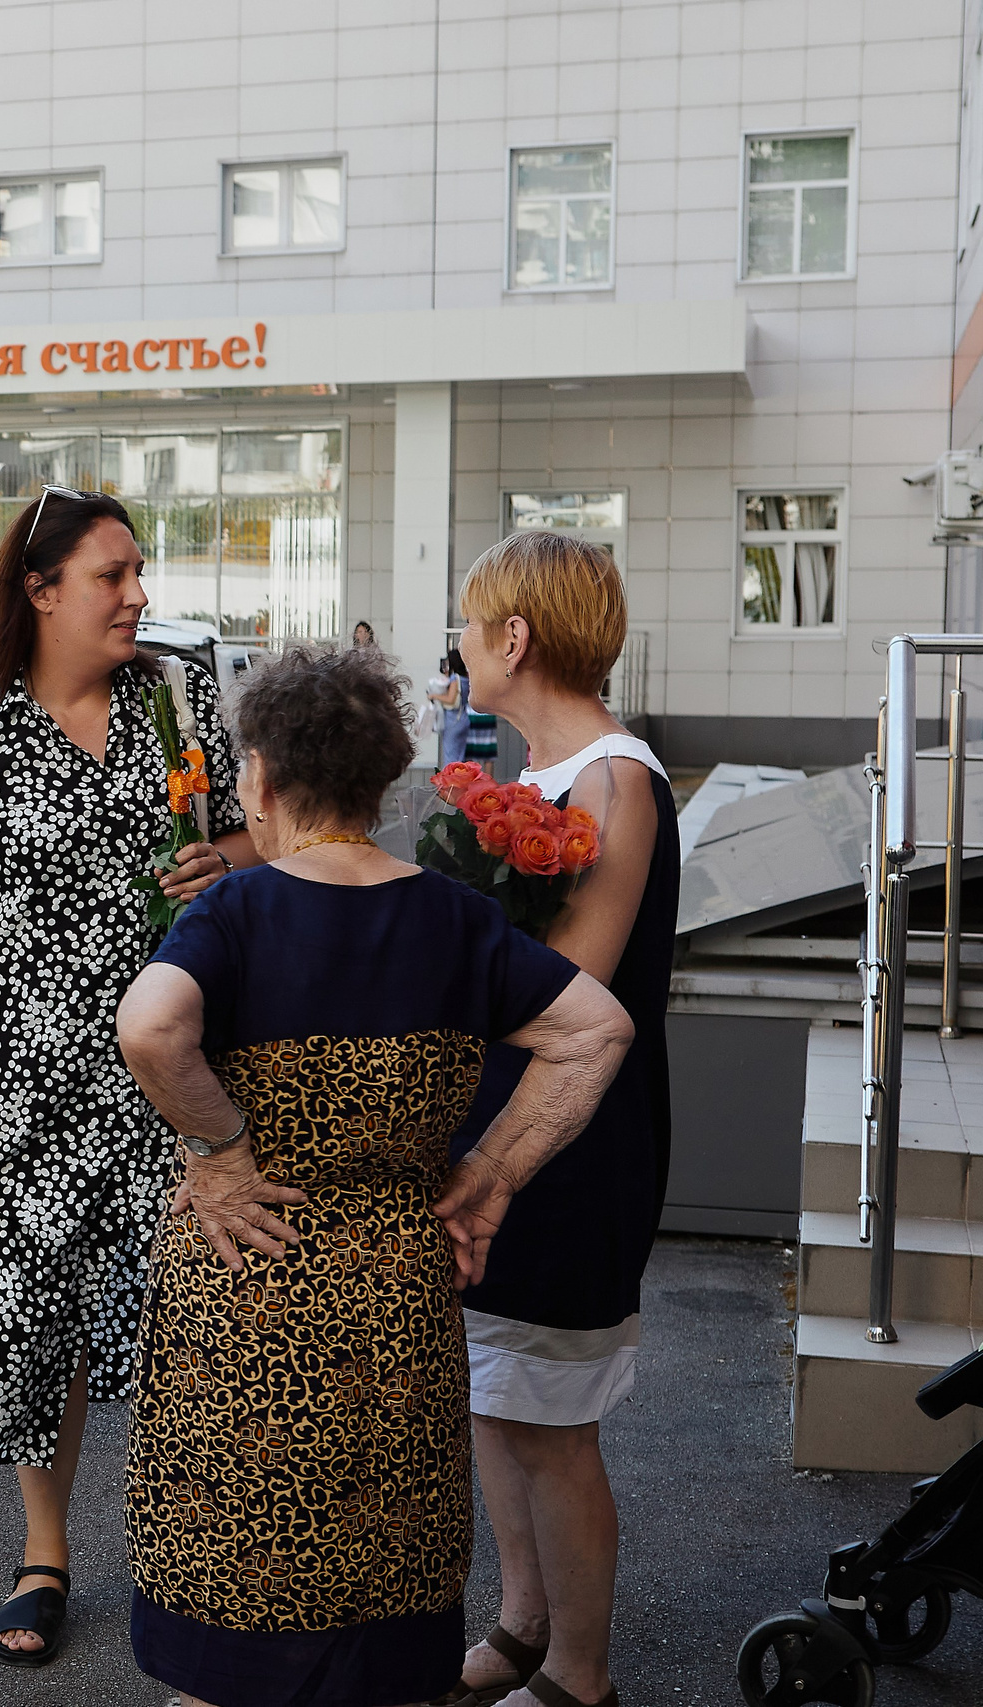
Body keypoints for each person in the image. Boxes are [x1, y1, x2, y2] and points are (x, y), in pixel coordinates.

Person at [113, 643, 634, 1707]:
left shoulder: (235, 912)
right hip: (395, 1294)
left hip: (243, 1284)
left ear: (258, 779)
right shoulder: (453, 916)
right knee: (381, 1599)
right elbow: (595, 1030)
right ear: (385, 775)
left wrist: (221, 1156)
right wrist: (492, 1170)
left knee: (231, 1617)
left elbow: (152, 1026)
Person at [0, 486, 254, 1665]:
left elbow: (251, 837)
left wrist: (227, 859)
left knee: (183, 1325)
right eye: (113, 574)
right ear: (40, 590)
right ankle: (43, 1553)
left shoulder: (171, 699)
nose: (138, 594)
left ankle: (185, 1554)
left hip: (172, 1074)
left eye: (137, 571)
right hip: (25, 1087)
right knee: (35, 1332)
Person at [438, 532, 677, 1707]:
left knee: (553, 1423)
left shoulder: (610, 779)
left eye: (469, 622)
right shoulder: (541, 776)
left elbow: (569, 985)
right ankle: (522, 1627)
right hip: (502, 1126)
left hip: (570, 1142)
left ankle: (579, 1677)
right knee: (497, 1394)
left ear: (515, 637)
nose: (460, 642)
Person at [441, 650, 473, 766]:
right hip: (464, 717)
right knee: (460, 756)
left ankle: (451, 782)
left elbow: (450, 699)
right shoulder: (466, 677)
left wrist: (434, 696)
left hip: (453, 720)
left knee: (451, 755)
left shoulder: (455, 678)